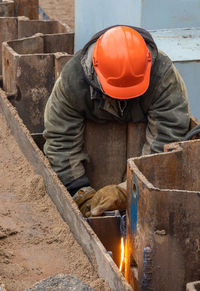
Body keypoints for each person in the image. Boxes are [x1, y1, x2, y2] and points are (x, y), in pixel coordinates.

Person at [43, 25, 190, 217]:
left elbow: (166, 142)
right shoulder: (73, 79)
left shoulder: (163, 76)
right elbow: (60, 140)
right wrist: (80, 192)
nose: (124, 98)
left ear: (148, 64)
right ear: (95, 69)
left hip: (144, 173)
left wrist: (126, 190)